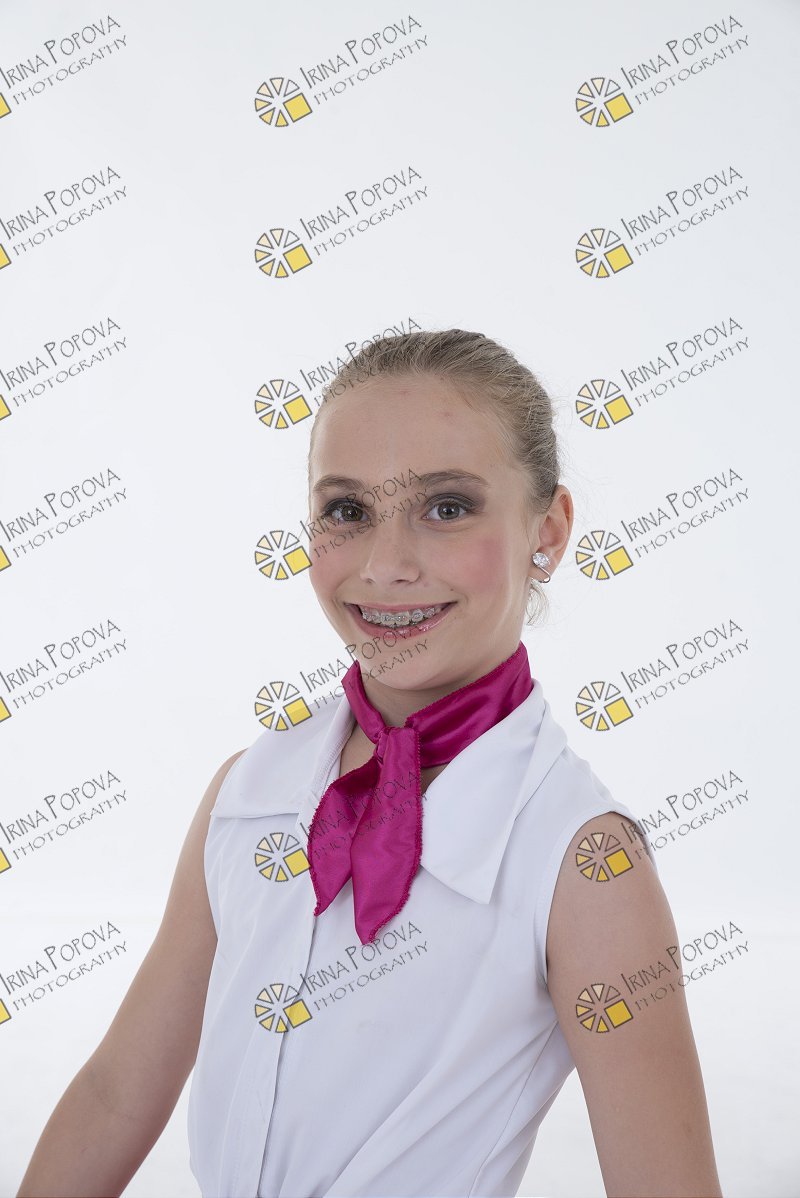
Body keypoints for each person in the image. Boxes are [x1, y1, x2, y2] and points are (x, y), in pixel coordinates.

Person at [17, 329, 723, 1198]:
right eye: (348, 511)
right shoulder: (248, 792)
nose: (387, 566)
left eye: (447, 507)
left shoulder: (582, 860)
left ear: (547, 532)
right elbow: (116, 1091)